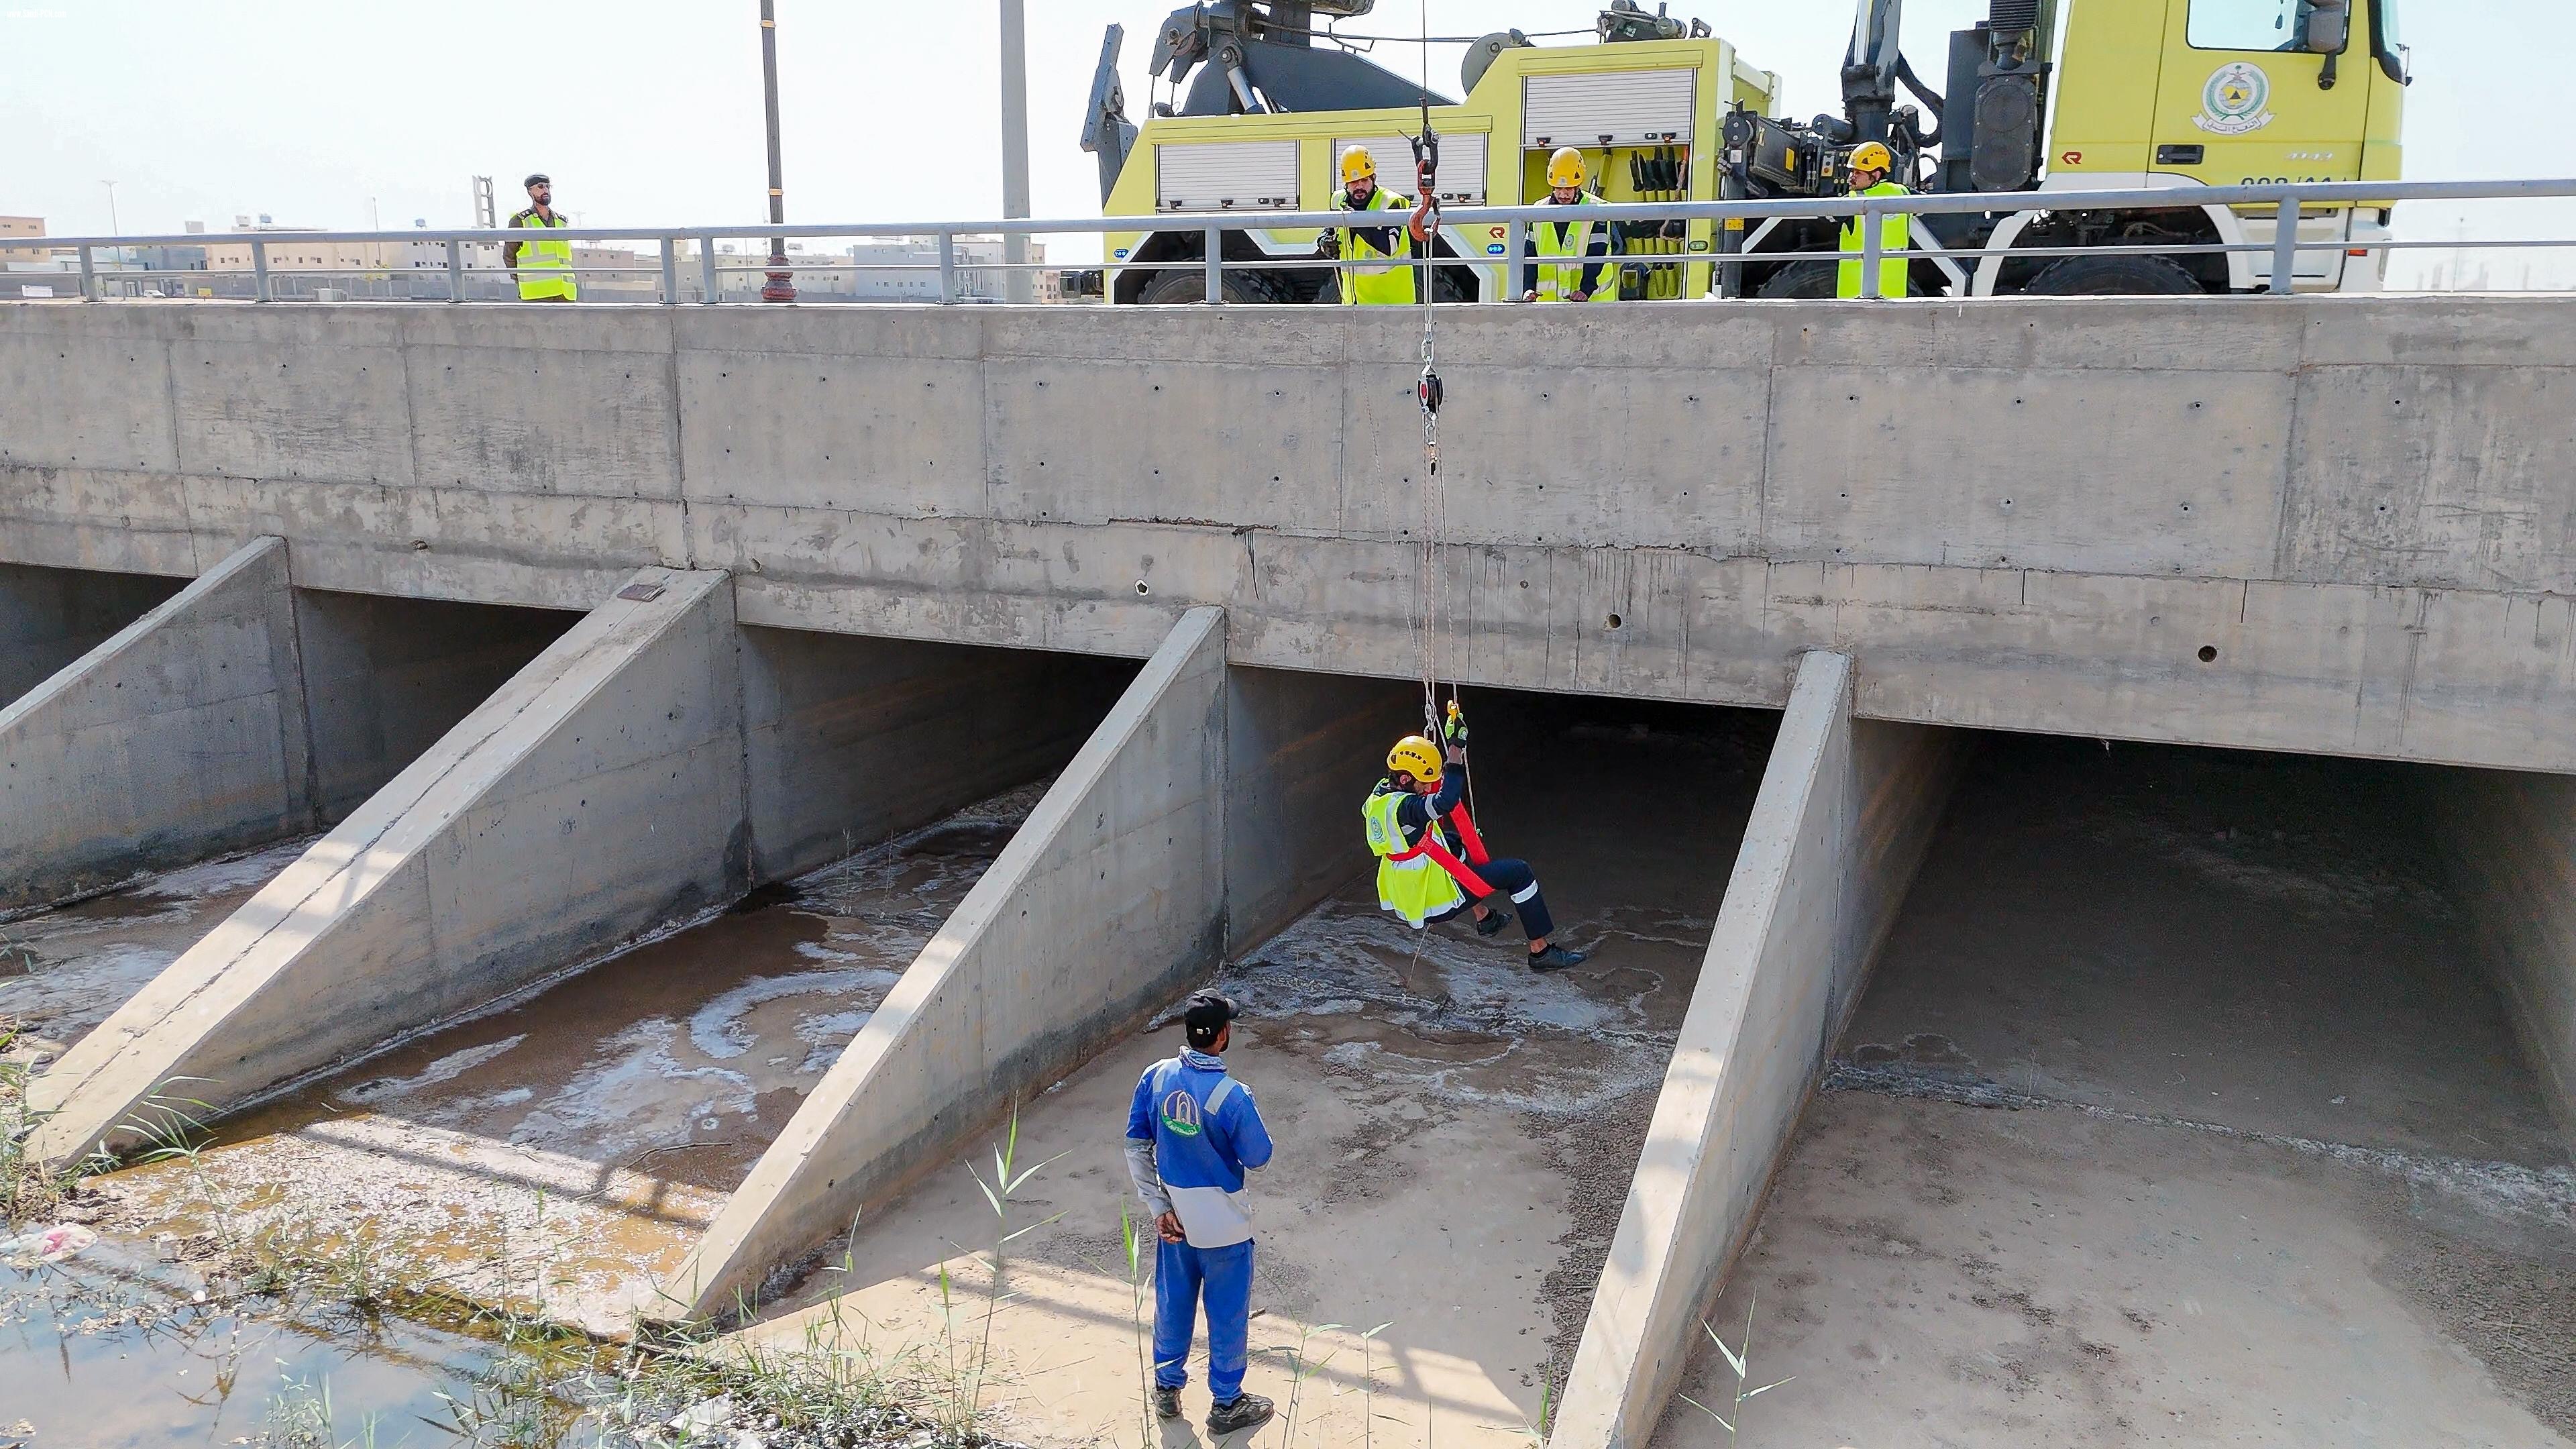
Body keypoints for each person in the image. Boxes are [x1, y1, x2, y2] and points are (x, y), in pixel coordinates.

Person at [1126, 991, 1277, 1436]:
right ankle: (1227, 1404)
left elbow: (1136, 1145)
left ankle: (1167, 1391)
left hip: (1174, 1223)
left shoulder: (1155, 1078)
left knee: (1172, 1305)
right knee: (1227, 1313)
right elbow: (1260, 1158)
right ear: (1224, 1034)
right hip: (1225, 1229)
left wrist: (1157, 1206)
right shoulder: (1232, 1096)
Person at [1364, 734, 1586, 969]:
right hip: (1435, 901)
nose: (1428, 788)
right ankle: (1541, 953)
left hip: (1408, 891)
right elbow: (1445, 801)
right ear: (1406, 779)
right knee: (1519, 873)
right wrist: (1455, 749)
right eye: (1424, 783)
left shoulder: (1380, 797)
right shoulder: (1407, 809)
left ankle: (1485, 918)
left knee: (1453, 843)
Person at [1317, 144, 1432, 306]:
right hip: (1353, 303)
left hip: (1392, 305)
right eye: (1353, 182)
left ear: (1374, 178)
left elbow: (1389, 247)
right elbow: (1329, 231)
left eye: (1364, 180)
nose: (1359, 186)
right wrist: (1324, 242)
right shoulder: (1338, 200)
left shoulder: (1391, 202)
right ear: (1346, 184)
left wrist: (1355, 221)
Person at [1521, 147, 1616, 304]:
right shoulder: (1538, 209)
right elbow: (1529, 255)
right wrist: (1527, 288)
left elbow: (1597, 253)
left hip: (1592, 302)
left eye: (1568, 189)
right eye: (1558, 188)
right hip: (1549, 304)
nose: (1563, 194)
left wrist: (1586, 289)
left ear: (1577, 186)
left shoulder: (1597, 209)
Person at [1836, 141, 1910, 300]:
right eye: (1852, 173)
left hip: (1856, 296)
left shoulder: (1853, 201)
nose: (1851, 179)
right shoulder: (1903, 193)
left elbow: (1824, 214)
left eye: (1858, 174)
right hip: (1895, 297)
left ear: (1876, 175)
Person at [503, 173, 576, 303]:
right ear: (530, 191)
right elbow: (509, 257)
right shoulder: (520, 221)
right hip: (536, 294)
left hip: (566, 293)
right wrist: (520, 281)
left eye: (548, 187)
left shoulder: (562, 222)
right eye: (540, 187)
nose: (545, 190)